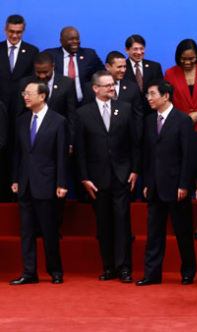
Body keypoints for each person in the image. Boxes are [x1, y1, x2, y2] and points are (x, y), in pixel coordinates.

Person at [75, 71, 140, 283]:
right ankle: (108, 266)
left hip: (122, 175)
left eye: (113, 85)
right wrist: (84, 177)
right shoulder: (83, 113)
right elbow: (81, 149)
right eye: (108, 86)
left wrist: (134, 170)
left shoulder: (126, 109)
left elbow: (134, 143)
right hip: (96, 178)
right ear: (95, 88)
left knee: (122, 221)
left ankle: (124, 268)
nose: (112, 88)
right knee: (103, 224)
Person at [139, 79, 197, 286]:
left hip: (176, 186)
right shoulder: (148, 120)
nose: (149, 98)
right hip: (154, 185)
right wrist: (146, 182)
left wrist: (184, 184)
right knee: (154, 232)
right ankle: (151, 274)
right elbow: (147, 154)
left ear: (166, 96)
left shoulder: (182, 120)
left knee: (183, 231)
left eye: (152, 94)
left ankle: (188, 271)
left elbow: (188, 155)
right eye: (148, 94)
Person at [10, 81, 67, 285]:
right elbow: (18, 153)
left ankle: (55, 271)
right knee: (26, 231)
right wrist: (15, 178)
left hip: (47, 183)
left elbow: (61, 155)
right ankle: (29, 272)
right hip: (25, 183)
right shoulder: (22, 120)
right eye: (24, 93)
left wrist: (61, 182)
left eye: (29, 93)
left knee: (49, 231)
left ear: (42, 96)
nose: (25, 97)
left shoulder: (58, 121)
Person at [164, 39, 197, 240]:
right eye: (183, 59)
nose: (187, 63)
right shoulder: (170, 73)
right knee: (182, 174)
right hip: (179, 130)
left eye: (191, 59)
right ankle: (182, 221)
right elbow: (167, 100)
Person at [0, 14, 38, 202]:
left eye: (19, 32)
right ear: (5, 30)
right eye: (12, 32)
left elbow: (33, 82)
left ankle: (17, 192)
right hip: (0, 112)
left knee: (19, 150)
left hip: (21, 112)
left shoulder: (32, 52)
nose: (15, 36)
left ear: (23, 31)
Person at [16, 52, 77, 142]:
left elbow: (71, 116)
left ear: (53, 66)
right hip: (32, 135)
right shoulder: (25, 83)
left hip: (58, 136)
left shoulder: (67, 83)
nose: (42, 76)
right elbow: (20, 114)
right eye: (38, 72)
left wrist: (71, 142)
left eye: (45, 72)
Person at [83, 51, 143, 140]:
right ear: (108, 66)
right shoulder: (91, 87)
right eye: (119, 67)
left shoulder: (132, 88)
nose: (123, 70)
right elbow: (86, 116)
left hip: (124, 143)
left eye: (124, 66)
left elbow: (137, 118)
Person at [44, 27, 105, 103]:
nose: (75, 42)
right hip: (59, 104)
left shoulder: (89, 54)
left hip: (84, 104)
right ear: (61, 41)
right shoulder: (50, 55)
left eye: (77, 39)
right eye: (71, 39)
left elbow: (103, 74)